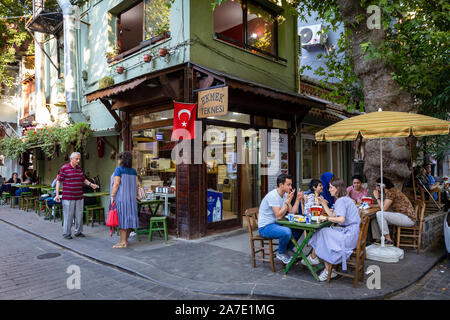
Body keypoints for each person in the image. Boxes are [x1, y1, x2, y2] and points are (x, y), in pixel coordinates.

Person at [305, 178, 361, 281]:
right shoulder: (345, 199)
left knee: (323, 233)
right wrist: (324, 204)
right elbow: (334, 214)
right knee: (324, 232)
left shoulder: (340, 200)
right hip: (353, 234)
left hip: (348, 236)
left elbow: (341, 219)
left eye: (331, 187)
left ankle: (327, 268)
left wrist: (325, 218)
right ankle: (321, 262)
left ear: (337, 188)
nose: (329, 189)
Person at [258, 173, 304, 265]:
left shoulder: (284, 195)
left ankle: (288, 249)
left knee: (299, 228)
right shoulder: (273, 196)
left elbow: (292, 212)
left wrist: (298, 199)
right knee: (286, 231)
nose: (291, 187)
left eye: (291, 184)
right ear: (281, 185)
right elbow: (278, 216)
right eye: (288, 184)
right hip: (265, 227)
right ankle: (281, 252)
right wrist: (287, 202)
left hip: (275, 224)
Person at [54, 152, 99, 239]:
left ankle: (78, 232)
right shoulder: (64, 168)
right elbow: (58, 181)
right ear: (71, 159)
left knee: (79, 215)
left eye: (79, 159)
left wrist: (91, 184)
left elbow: (83, 179)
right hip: (68, 197)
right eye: (76, 159)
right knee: (68, 216)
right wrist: (57, 194)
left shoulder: (79, 168)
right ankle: (67, 233)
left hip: (79, 196)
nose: (78, 161)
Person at [371, 177, 416, 246]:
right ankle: (379, 240)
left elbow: (383, 208)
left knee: (379, 214)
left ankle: (388, 240)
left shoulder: (391, 192)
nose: (376, 188)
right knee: (374, 219)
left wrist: (377, 197)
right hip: (401, 216)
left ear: (383, 185)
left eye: (377, 185)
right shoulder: (391, 191)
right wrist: (371, 206)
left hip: (408, 218)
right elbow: (383, 205)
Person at [109, 151, 140, 248]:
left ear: (122, 160)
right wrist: (136, 195)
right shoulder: (134, 171)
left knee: (122, 220)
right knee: (129, 219)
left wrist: (113, 196)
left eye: (119, 158)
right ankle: (125, 240)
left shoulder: (119, 170)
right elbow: (137, 185)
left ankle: (123, 242)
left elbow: (116, 184)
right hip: (131, 200)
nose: (118, 160)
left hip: (121, 199)